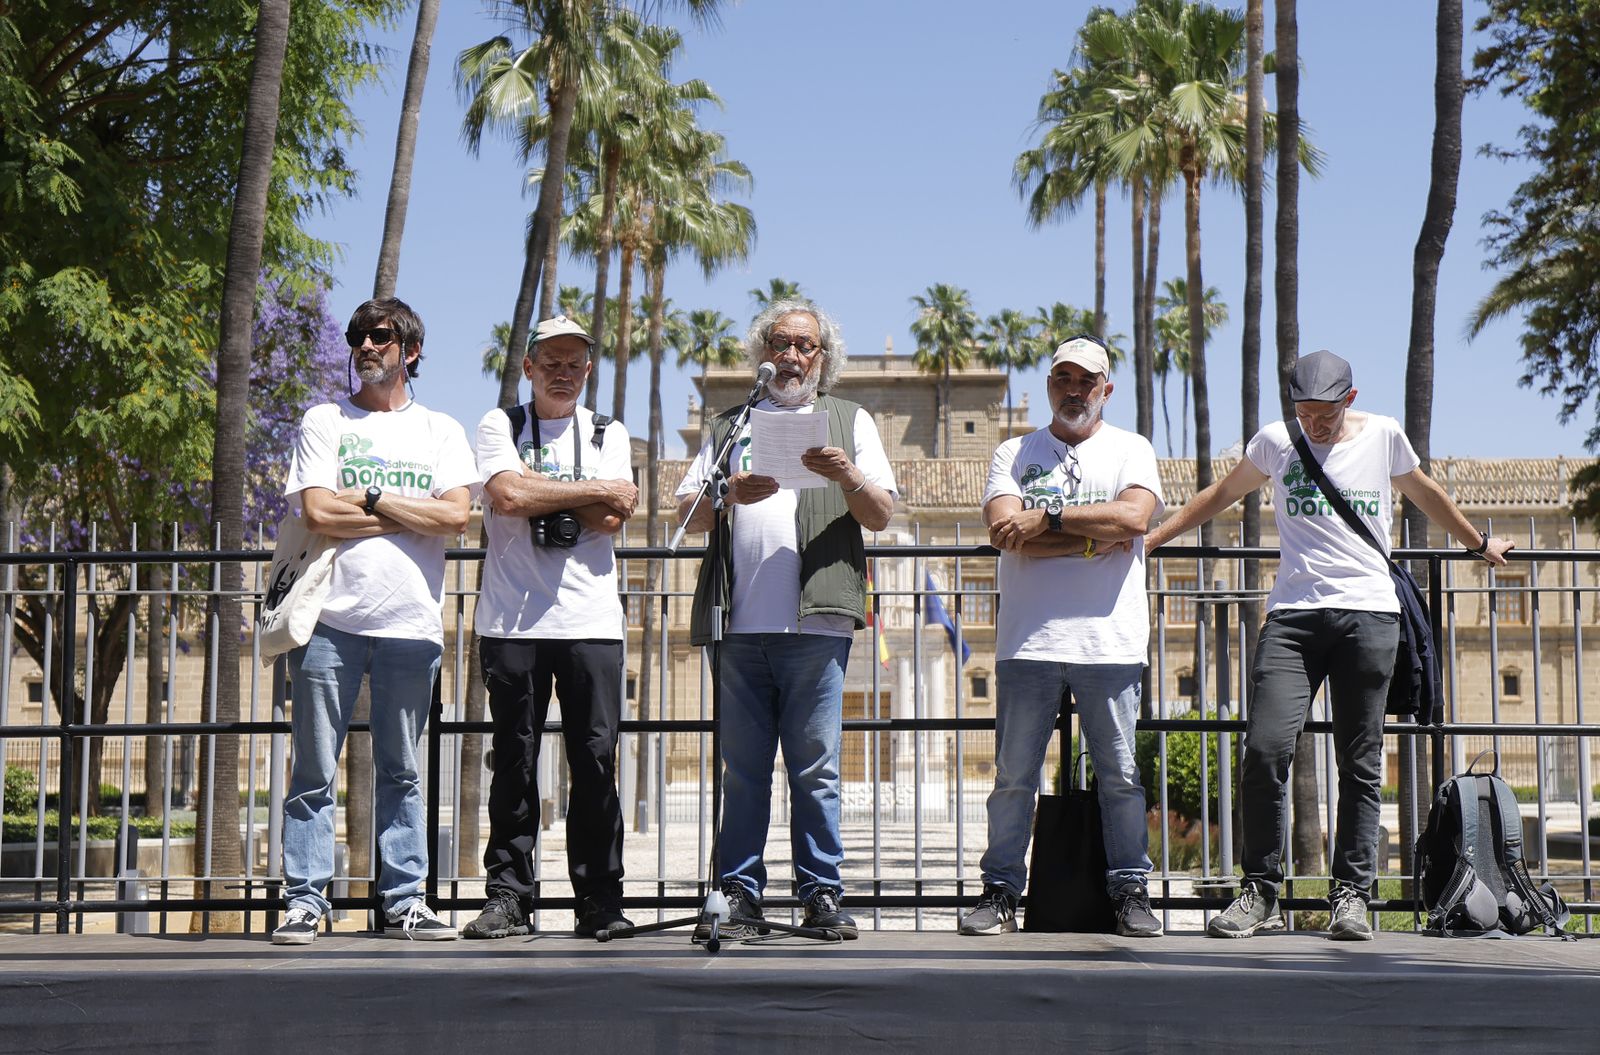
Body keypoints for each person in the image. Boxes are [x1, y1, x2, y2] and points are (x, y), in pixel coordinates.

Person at [1145, 350, 1514, 940]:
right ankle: (1260, 891)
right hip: (1292, 619)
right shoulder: (1275, 442)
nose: (1314, 425)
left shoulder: (1385, 437)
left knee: (1361, 765)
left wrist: (1479, 543)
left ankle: (1351, 896)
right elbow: (1219, 495)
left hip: (1368, 617)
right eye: (1304, 413)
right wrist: (1154, 539)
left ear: (1351, 398)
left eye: (1326, 413)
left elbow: (1424, 492)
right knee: (1265, 752)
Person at [677, 298, 897, 939]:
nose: (792, 356)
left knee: (816, 769)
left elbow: (880, 514)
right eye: (780, 343)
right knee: (743, 771)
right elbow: (686, 513)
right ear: (762, 354)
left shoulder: (849, 421)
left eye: (805, 345)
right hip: (738, 626)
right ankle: (741, 893)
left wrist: (847, 474)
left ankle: (821, 894)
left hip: (818, 624)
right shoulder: (731, 425)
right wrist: (728, 492)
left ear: (822, 358)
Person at [272, 297, 477, 945]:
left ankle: (403, 901)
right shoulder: (325, 420)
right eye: (358, 335)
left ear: (410, 351)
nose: (365, 345)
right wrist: (406, 510)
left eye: (380, 336)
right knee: (313, 767)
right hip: (327, 621)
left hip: (410, 624)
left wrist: (369, 495)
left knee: (403, 769)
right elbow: (318, 514)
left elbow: (456, 516)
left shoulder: (440, 429)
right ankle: (306, 899)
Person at [958, 335, 1165, 939]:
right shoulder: (1013, 451)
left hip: (1110, 641)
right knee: (1013, 777)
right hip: (1028, 641)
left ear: (1106, 389)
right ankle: (1000, 892)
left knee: (1122, 777)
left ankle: (1129, 888)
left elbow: (1135, 519)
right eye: (1062, 379)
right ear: (1049, 385)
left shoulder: (1133, 448)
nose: (1073, 390)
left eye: (1085, 380)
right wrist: (1093, 540)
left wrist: (1046, 519)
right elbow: (1002, 529)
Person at [462, 315, 639, 940]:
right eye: (551, 361)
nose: (563, 371)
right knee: (514, 761)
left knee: (594, 762)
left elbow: (617, 516)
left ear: (588, 370)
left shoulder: (606, 430)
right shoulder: (499, 424)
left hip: (590, 620)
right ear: (529, 368)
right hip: (512, 622)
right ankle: (509, 896)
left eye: (574, 362)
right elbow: (506, 498)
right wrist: (586, 493)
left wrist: (541, 487)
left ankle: (600, 899)